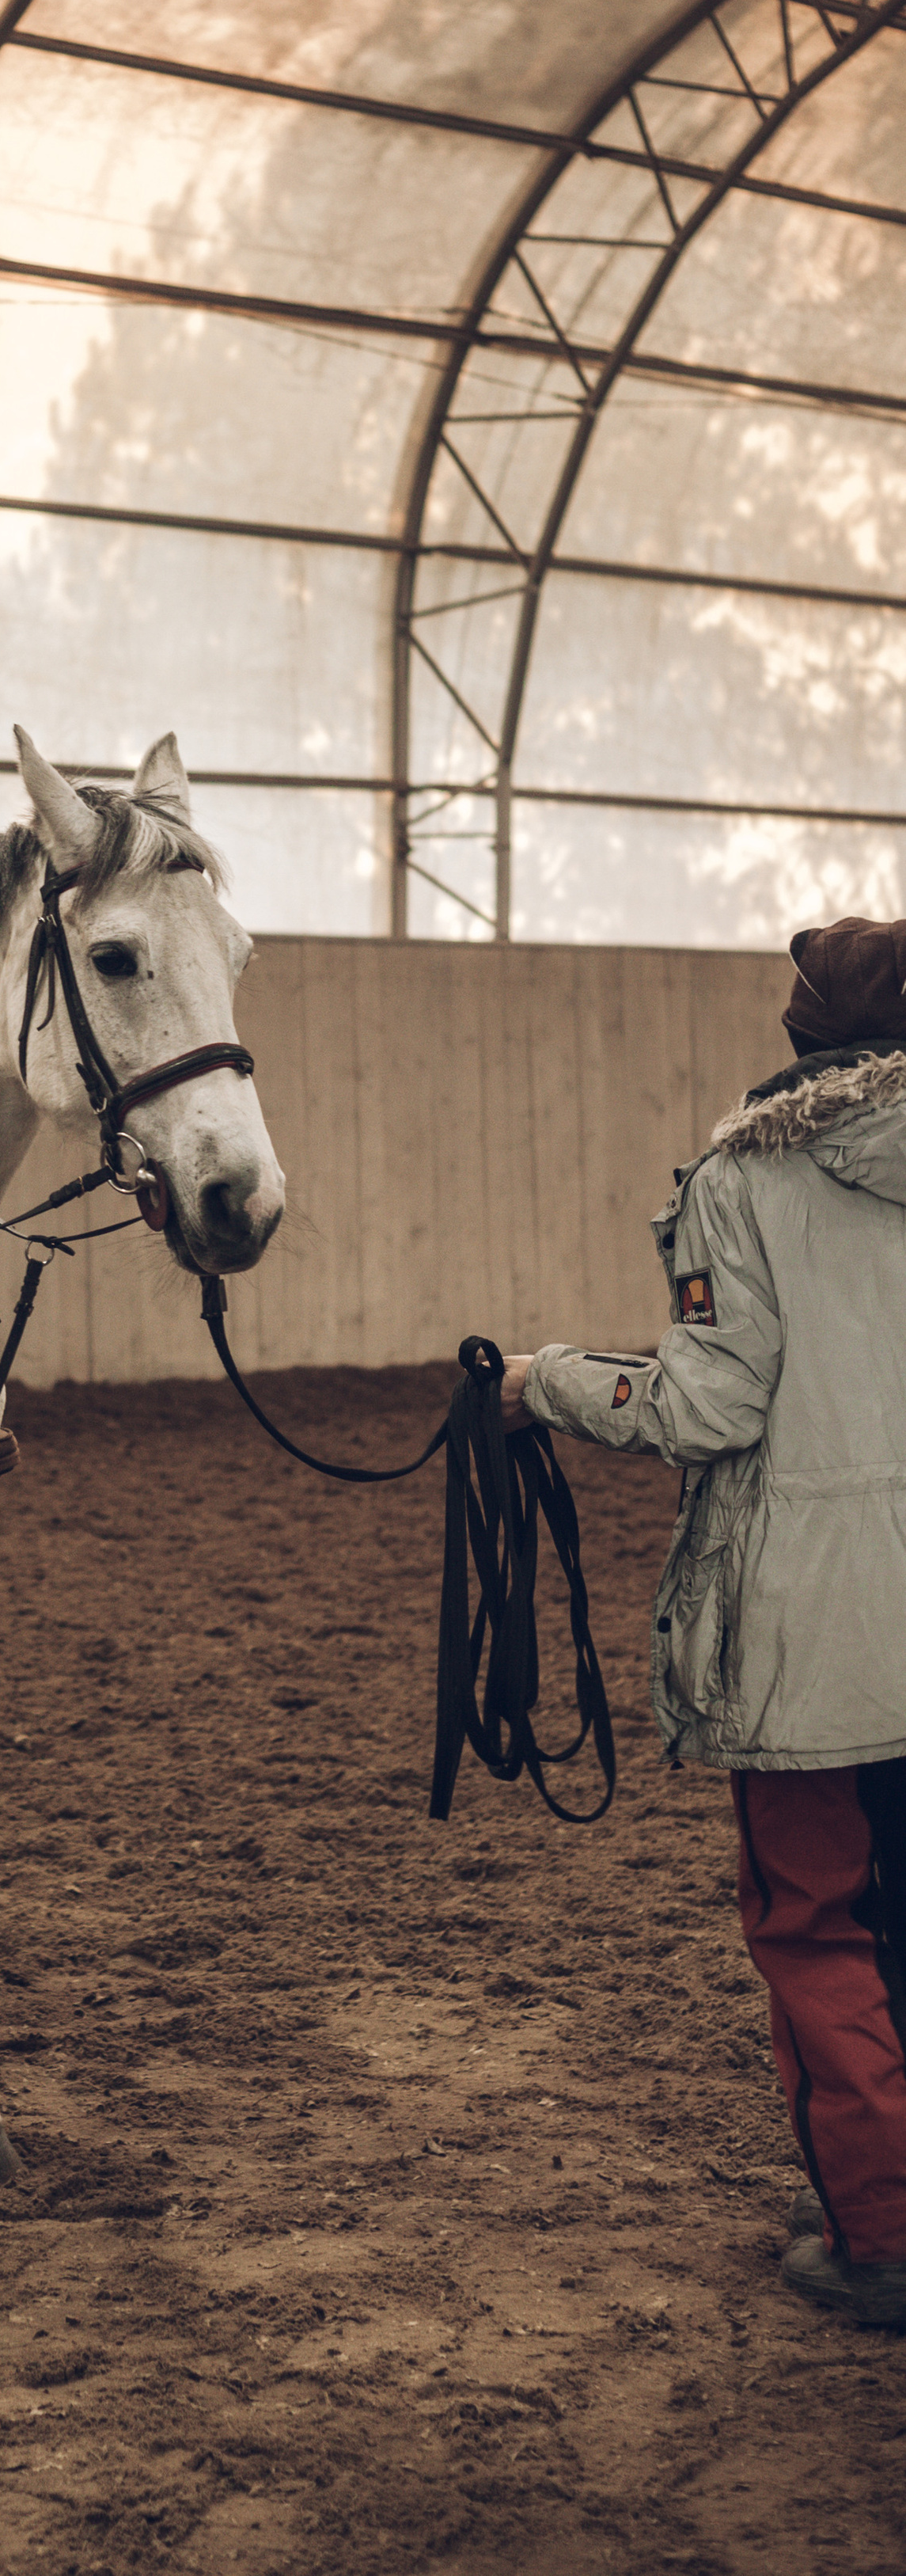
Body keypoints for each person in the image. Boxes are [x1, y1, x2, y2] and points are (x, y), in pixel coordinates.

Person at [500, 917, 906, 2327]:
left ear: (803, 1033)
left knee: (813, 1927)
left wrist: (550, 1381)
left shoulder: (746, 1175)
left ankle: (883, 2232)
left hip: (812, 1624)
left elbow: (710, 1405)